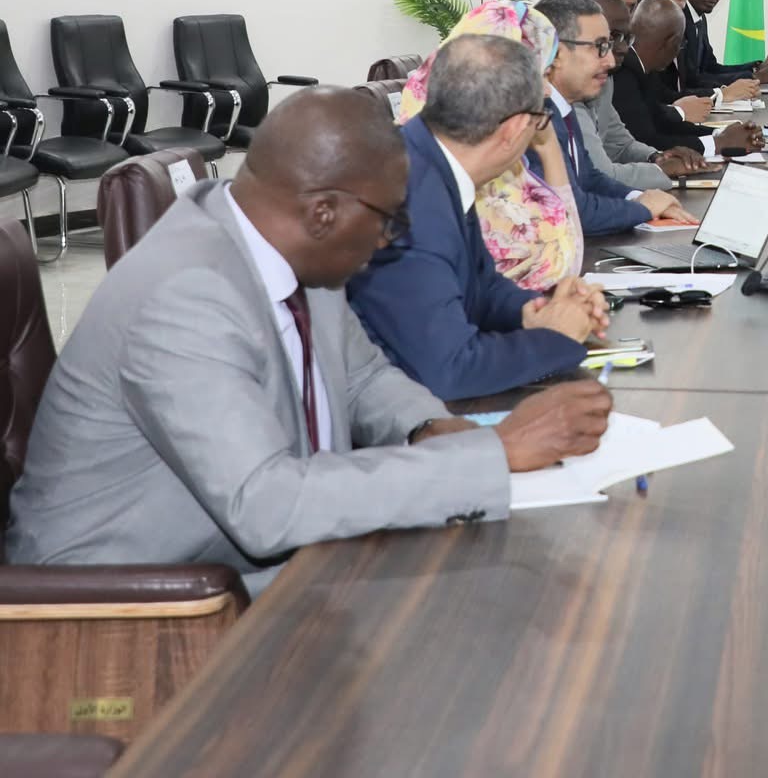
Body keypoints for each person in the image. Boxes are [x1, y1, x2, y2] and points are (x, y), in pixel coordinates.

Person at [4, 87, 614, 589]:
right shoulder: (185, 296)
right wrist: (493, 454)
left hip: (249, 562)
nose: (389, 241)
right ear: (324, 212)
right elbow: (266, 505)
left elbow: (362, 377)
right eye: (389, 221)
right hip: (121, 608)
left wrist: (427, 427)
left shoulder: (291, 249)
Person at [349, 33, 614, 400]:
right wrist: (555, 337)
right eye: (540, 119)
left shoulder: (433, 158)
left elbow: (481, 284)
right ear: (515, 129)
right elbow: (450, 370)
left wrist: (534, 310)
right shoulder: (410, 200)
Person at [393, 1, 583, 291]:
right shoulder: (421, 192)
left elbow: (488, 293)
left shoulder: (457, 164)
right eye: (543, 73)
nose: (547, 90)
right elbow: (562, 262)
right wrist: (548, 146)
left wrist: (537, 311)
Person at [531, 0, 688, 235]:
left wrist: (638, 196)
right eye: (600, 47)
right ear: (558, 53)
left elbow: (590, 178)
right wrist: (643, 209)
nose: (611, 60)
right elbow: (573, 212)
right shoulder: (534, 117)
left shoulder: (564, 108)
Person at [573, 0, 708, 191]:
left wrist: (656, 157)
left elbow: (621, 145)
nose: (623, 48)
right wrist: (661, 170)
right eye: (611, 38)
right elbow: (601, 177)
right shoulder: (560, 99)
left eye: (626, 38)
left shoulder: (605, 80)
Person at [611, 0, 766, 156]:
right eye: (681, 44)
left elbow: (662, 122)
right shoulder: (623, 73)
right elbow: (646, 140)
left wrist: (719, 133)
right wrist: (718, 143)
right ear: (671, 43)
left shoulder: (643, 68)